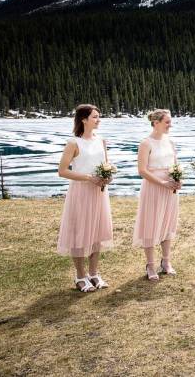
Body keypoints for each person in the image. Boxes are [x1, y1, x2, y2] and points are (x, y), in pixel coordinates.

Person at [56, 104, 114, 292]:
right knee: (79, 233)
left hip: (99, 191)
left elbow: (105, 163)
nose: (98, 120)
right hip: (81, 192)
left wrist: (107, 176)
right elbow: (62, 171)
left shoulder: (101, 140)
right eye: (95, 117)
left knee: (97, 230)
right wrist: (89, 178)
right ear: (84, 120)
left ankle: (94, 273)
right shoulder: (73, 143)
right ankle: (80, 276)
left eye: (99, 116)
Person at [133, 109, 181, 281]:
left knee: (168, 222)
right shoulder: (146, 143)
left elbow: (175, 164)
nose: (170, 125)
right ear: (156, 123)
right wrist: (162, 183)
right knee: (151, 224)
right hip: (154, 187)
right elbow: (142, 170)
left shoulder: (170, 141)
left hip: (170, 187)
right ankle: (150, 265)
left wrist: (177, 178)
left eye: (170, 121)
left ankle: (166, 262)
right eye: (167, 122)